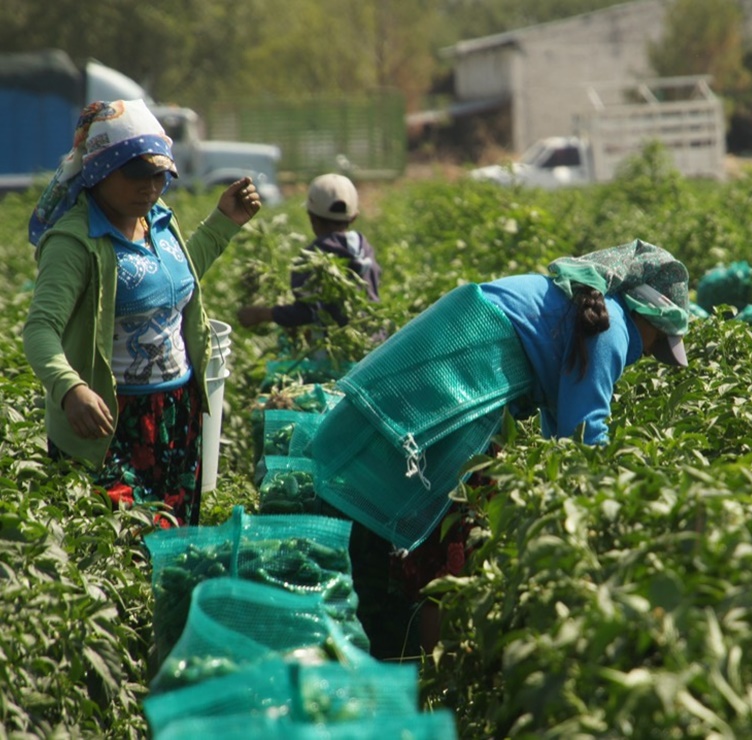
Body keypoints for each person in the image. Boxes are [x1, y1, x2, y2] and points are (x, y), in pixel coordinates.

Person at [307, 239, 691, 658]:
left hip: (456, 361)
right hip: (461, 377)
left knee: (448, 515)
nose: (653, 352)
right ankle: (435, 670)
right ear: (646, 314)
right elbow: (585, 433)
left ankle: (404, 638)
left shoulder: (595, 310)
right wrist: (601, 509)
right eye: (658, 341)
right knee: (460, 533)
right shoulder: (613, 328)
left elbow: (562, 421)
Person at [23, 99, 262, 526]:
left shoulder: (158, 220)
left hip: (174, 413)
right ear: (98, 170)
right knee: (123, 541)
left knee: (173, 539)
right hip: (110, 422)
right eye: (136, 175)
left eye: (159, 175)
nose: (150, 187)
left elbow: (173, 284)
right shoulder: (75, 241)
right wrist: (69, 389)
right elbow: (41, 329)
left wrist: (224, 223)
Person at [236, 173, 380, 329]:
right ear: (354, 217)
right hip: (375, 339)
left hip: (338, 347)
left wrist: (261, 314)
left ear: (311, 217)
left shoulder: (312, 258)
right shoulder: (365, 249)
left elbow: (307, 312)